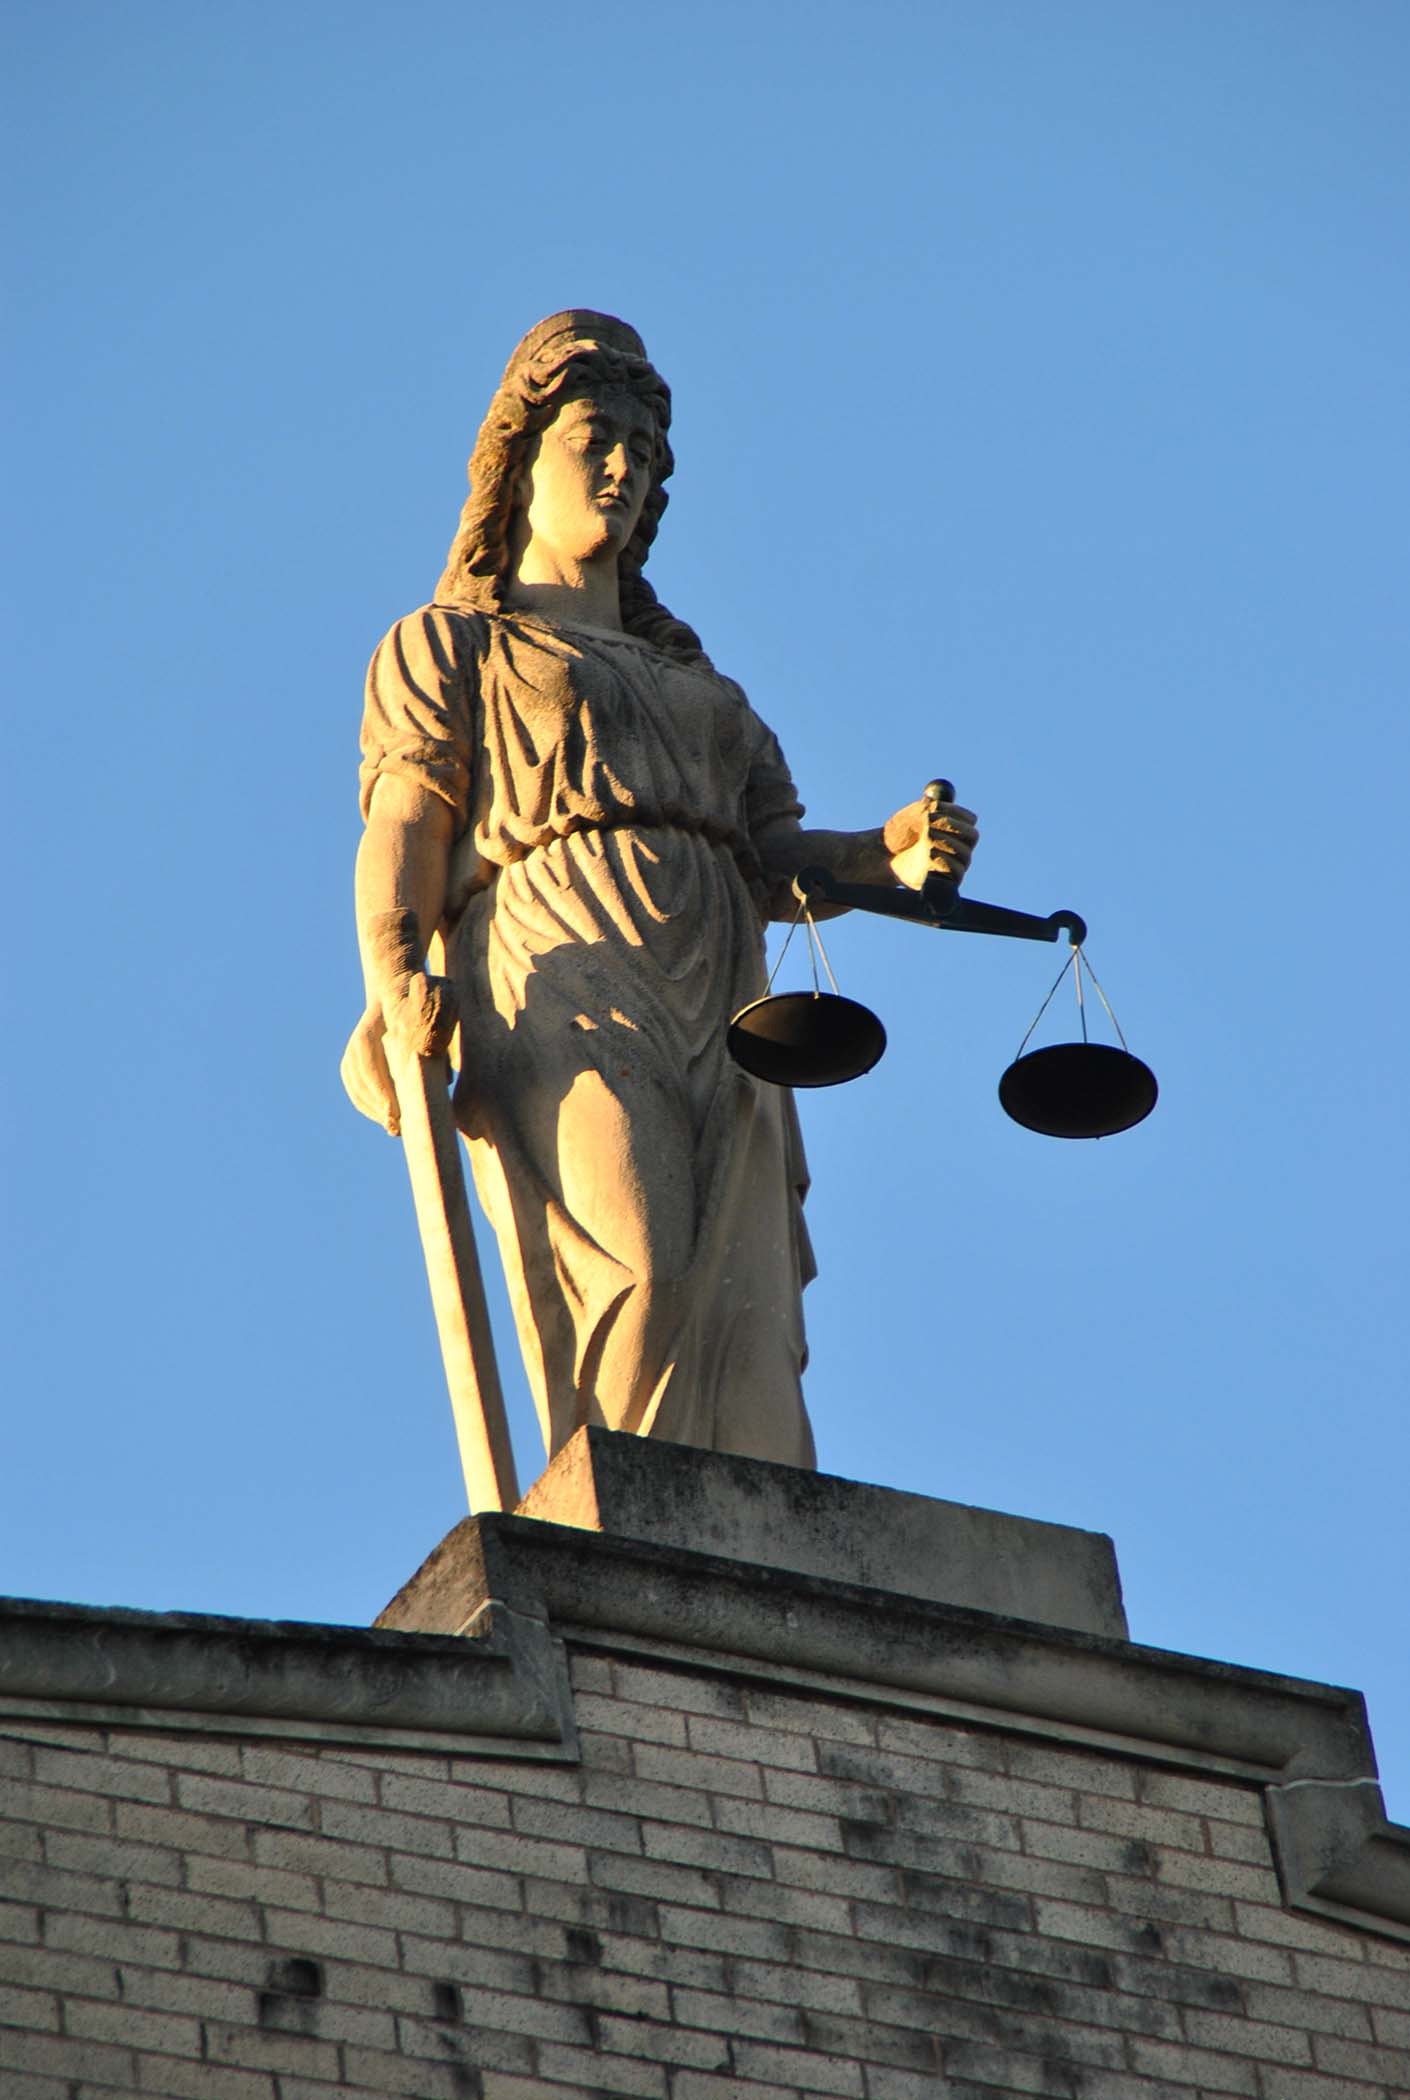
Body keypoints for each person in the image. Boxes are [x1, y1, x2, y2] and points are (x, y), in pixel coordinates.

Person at [342, 311, 977, 1468]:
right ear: (520, 458)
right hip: (561, 969)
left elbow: (779, 857)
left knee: (744, 1309)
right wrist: (393, 978)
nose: (626, 469)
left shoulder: (703, 691)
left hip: (723, 989)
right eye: (597, 438)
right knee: (637, 1262)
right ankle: (625, 1548)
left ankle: (754, 1551)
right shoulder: (451, 647)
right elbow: (404, 832)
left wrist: (887, 858)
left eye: (646, 453)